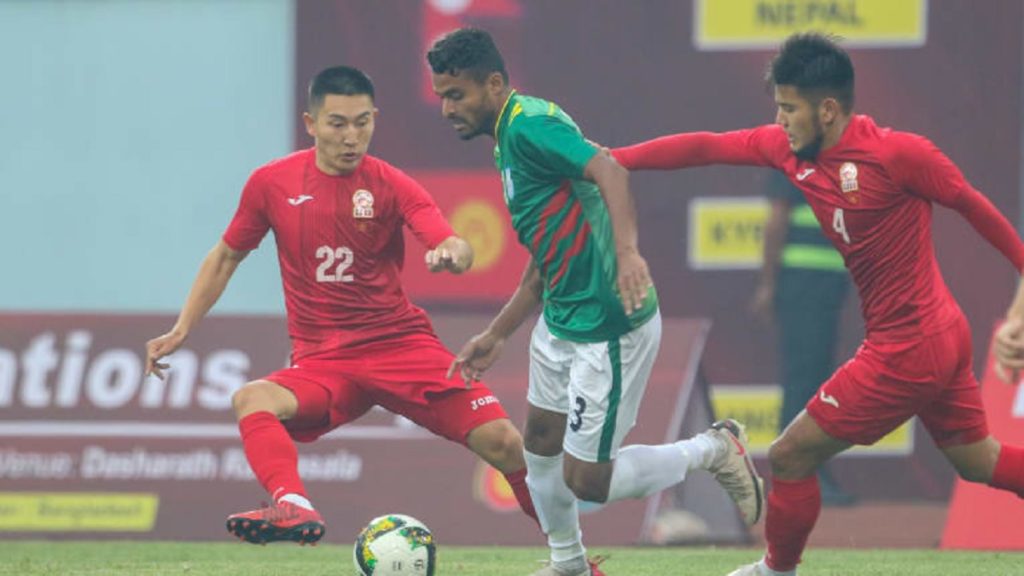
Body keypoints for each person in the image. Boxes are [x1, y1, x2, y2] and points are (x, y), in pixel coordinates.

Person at [610, 33, 1024, 576]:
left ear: (827, 110)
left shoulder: (899, 154)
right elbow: (706, 146)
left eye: (789, 108)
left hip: (910, 346)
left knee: (789, 455)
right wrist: (611, 160)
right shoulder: (787, 150)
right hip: (939, 334)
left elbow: (978, 211)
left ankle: (776, 571)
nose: (779, 119)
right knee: (979, 460)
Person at [143, 65, 539, 546]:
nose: (351, 137)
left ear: (375, 119)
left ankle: (573, 558)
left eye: (362, 122)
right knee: (252, 398)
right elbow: (226, 256)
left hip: (400, 347)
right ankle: (292, 505)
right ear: (311, 124)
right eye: (337, 124)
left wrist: (452, 254)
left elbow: (451, 240)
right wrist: (182, 328)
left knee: (505, 443)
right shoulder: (271, 183)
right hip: (324, 362)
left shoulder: (391, 184)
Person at [426, 28, 764, 576]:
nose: (446, 109)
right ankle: (569, 563)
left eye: (456, 94)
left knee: (587, 482)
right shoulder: (510, 135)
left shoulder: (529, 126)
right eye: (442, 96)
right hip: (561, 320)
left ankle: (714, 448)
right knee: (538, 443)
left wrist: (628, 254)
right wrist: (498, 332)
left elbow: (609, 168)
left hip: (608, 324)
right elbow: (547, 254)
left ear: (493, 84)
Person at [751, 172, 856, 507]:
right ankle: (795, 473)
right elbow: (776, 220)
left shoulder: (842, 168)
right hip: (800, 284)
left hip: (829, 287)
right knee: (802, 381)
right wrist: (769, 284)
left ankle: (812, 468)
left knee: (818, 382)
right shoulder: (793, 162)